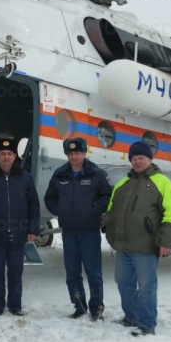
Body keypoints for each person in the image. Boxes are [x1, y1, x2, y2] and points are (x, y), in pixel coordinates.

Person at [103, 141, 171, 337]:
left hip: (145, 247)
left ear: (150, 159)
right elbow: (111, 209)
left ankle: (147, 324)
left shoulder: (162, 182)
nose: (137, 162)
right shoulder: (123, 183)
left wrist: (166, 242)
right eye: (134, 158)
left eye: (141, 158)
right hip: (123, 246)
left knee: (146, 286)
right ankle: (131, 317)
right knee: (123, 282)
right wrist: (106, 225)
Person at [44, 137, 112, 321]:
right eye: (70, 153)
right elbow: (49, 198)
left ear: (84, 153)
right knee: (72, 273)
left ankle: (96, 307)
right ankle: (79, 306)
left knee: (93, 272)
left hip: (89, 232)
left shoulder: (96, 174)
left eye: (78, 153)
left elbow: (107, 195)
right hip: (69, 232)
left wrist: (93, 211)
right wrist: (60, 211)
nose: (74, 157)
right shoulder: (60, 175)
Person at [0, 138, 40, 316]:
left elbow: (33, 204)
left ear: (15, 156)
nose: (5, 157)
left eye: (9, 154)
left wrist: (33, 229)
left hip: (18, 235)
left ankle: (15, 305)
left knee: (16, 272)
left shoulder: (25, 178)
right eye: (2, 154)